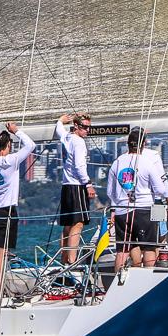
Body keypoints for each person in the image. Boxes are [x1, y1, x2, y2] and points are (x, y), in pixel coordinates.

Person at [0, 122, 36, 297]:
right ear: (8, 144)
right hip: (7, 211)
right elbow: (31, 145)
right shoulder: (11, 161)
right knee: (1, 252)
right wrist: (16, 131)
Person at [106, 127, 167, 268]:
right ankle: (147, 283)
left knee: (122, 251)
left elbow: (110, 192)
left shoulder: (117, 162)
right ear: (143, 144)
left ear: (127, 144)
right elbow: (160, 190)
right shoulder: (147, 162)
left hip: (122, 211)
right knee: (149, 248)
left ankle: (119, 285)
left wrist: (121, 199)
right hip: (144, 210)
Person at [54, 112, 96, 267]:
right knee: (78, 224)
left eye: (89, 127)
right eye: (85, 127)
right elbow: (79, 166)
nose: (88, 131)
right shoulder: (78, 142)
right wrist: (88, 184)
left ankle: (64, 260)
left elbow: (59, 130)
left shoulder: (66, 137)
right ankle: (72, 261)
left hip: (66, 186)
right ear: (77, 126)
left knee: (67, 225)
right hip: (77, 186)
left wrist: (60, 121)